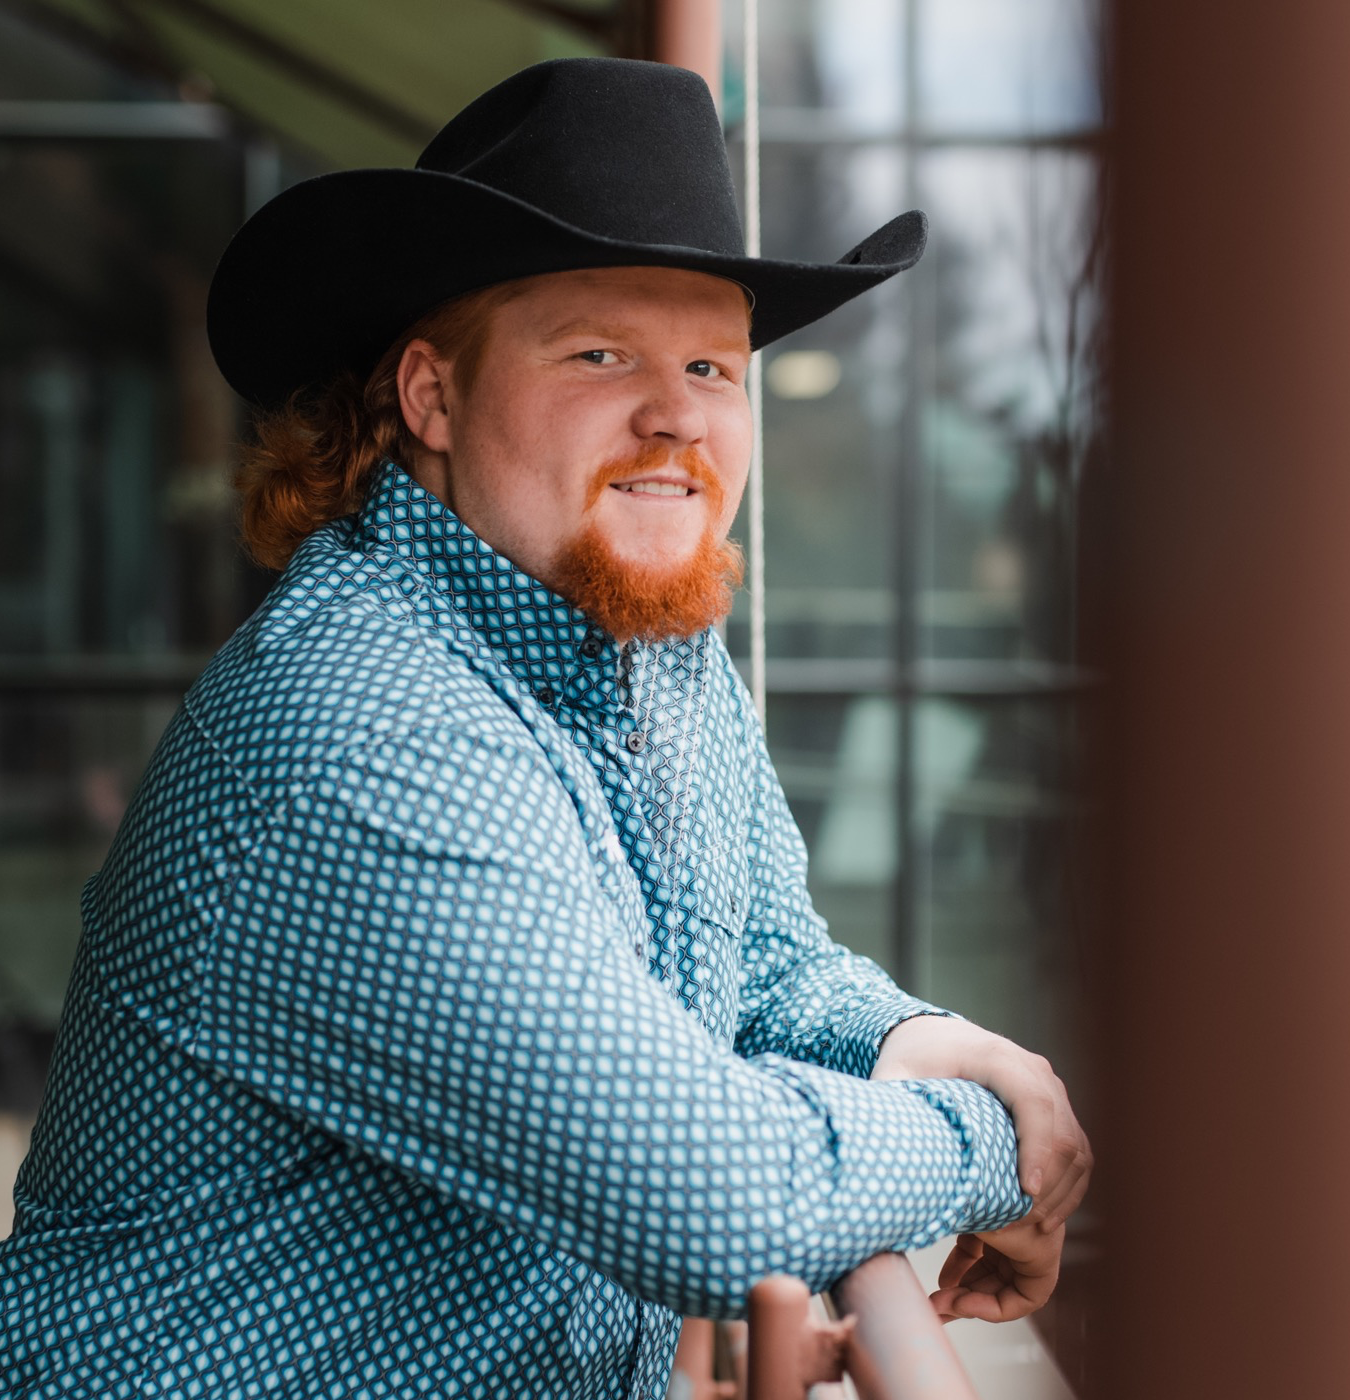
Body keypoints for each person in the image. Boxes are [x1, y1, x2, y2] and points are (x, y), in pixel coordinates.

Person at [0, 57, 1090, 1399]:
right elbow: (713, 1197)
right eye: (599, 353)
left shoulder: (657, 647)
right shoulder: (365, 721)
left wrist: (923, 1038)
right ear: (430, 398)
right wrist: (997, 1138)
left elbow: (757, 962)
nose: (676, 412)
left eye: (710, 363)